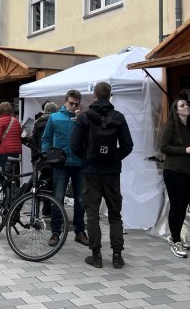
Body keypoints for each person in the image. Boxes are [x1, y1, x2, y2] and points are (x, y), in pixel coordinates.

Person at [71, 82, 133, 269]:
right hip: (112, 172)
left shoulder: (84, 118)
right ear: (110, 95)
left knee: (92, 214)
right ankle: (117, 256)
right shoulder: (119, 117)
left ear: (94, 96)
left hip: (91, 172)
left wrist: (88, 159)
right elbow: (128, 145)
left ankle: (96, 255)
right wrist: (114, 157)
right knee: (115, 215)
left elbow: (74, 146)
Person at [42, 90, 89, 248]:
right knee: (58, 198)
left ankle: (79, 231)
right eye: (71, 103)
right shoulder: (55, 117)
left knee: (81, 200)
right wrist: (46, 154)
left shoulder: (83, 118)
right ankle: (56, 231)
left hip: (79, 163)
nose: (73, 106)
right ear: (65, 102)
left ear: (80, 104)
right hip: (60, 164)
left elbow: (89, 138)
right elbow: (46, 138)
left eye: (76, 103)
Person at [159, 98, 190, 259]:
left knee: (183, 206)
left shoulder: (188, 127)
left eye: (187, 104)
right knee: (176, 205)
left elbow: (188, 149)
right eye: (182, 105)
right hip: (174, 171)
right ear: (176, 110)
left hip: (189, 171)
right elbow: (164, 147)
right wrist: (186, 150)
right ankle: (175, 240)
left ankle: (175, 236)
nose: (186, 107)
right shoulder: (170, 126)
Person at [0, 101, 22, 172]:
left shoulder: (0, 121)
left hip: (4, 150)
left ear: (0, 110)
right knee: (14, 172)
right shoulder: (16, 120)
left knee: (4, 172)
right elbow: (19, 134)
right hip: (16, 150)